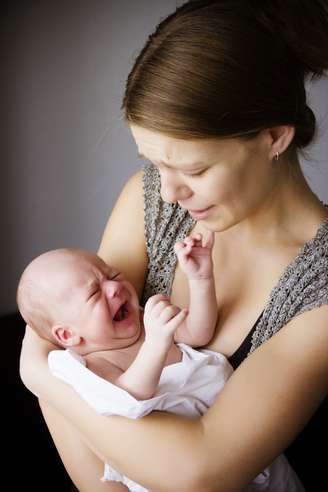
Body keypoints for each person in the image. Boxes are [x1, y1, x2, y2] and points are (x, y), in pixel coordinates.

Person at [19, 1, 328, 491]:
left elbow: (199, 472)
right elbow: (58, 326)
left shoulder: (320, 285)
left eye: (194, 170)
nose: (169, 192)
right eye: (154, 163)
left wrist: (39, 376)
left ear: (273, 136)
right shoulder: (149, 203)